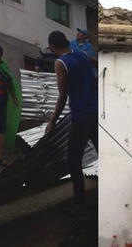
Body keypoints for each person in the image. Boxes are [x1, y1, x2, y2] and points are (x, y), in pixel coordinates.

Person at [46, 31, 98, 209]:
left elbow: (62, 96)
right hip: (96, 113)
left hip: (81, 117)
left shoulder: (61, 63)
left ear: (52, 47)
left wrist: (53, 121)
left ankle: (80, 205)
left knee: (73, 161)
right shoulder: (83, 55)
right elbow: (96, 64)